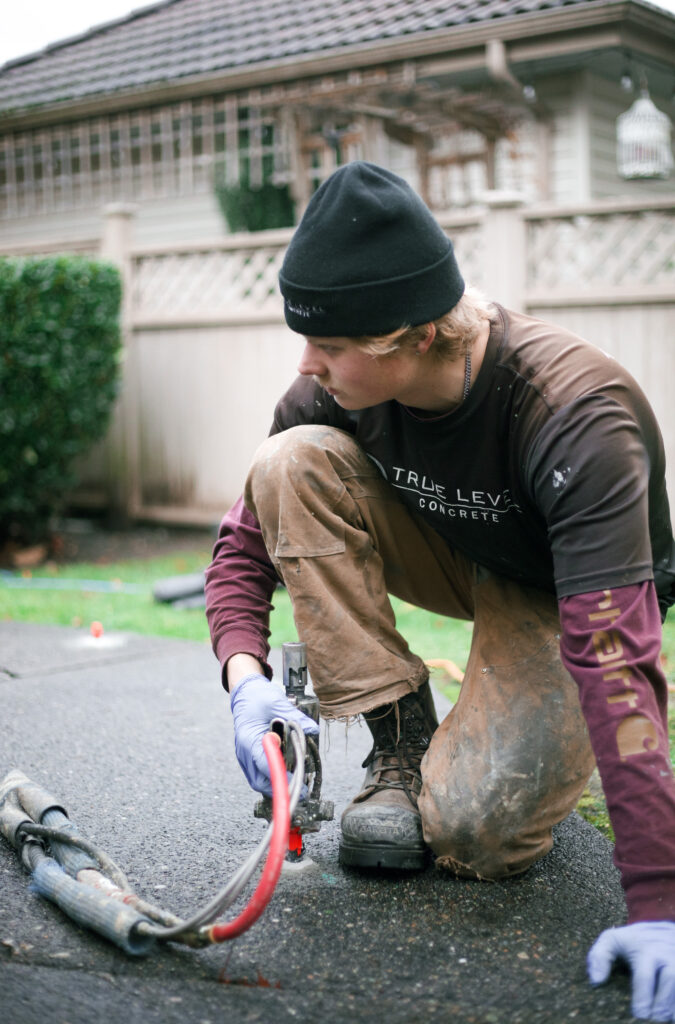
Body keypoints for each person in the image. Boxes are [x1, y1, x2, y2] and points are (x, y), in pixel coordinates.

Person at [205, 161, 675, 1021]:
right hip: (443, 545)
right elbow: (244, 541)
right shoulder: (327, 392)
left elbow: (615, 659)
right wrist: (245, 678)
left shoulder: (575, 411)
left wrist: (660, 900)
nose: (308, 363)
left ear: (417, 334)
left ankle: (471, 761)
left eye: (333, 345)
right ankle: (396, 736)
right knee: (288, 460)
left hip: (550, 585)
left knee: (476, 835)